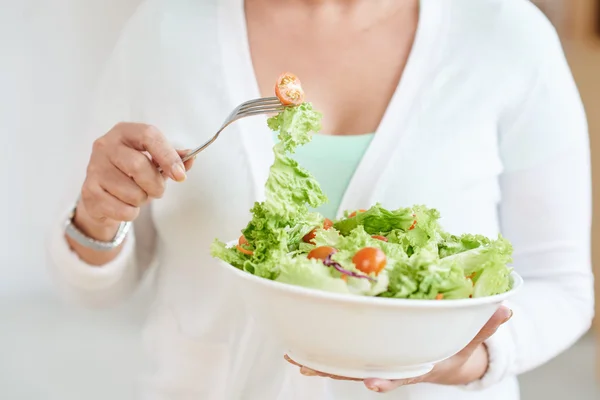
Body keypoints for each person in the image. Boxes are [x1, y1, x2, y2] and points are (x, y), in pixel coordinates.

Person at [47, 0, 594, 399]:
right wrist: (97, 217)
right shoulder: (166, 32)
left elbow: (565, 287)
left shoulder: (506, 34)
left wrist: (465, 361)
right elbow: (93, 288)